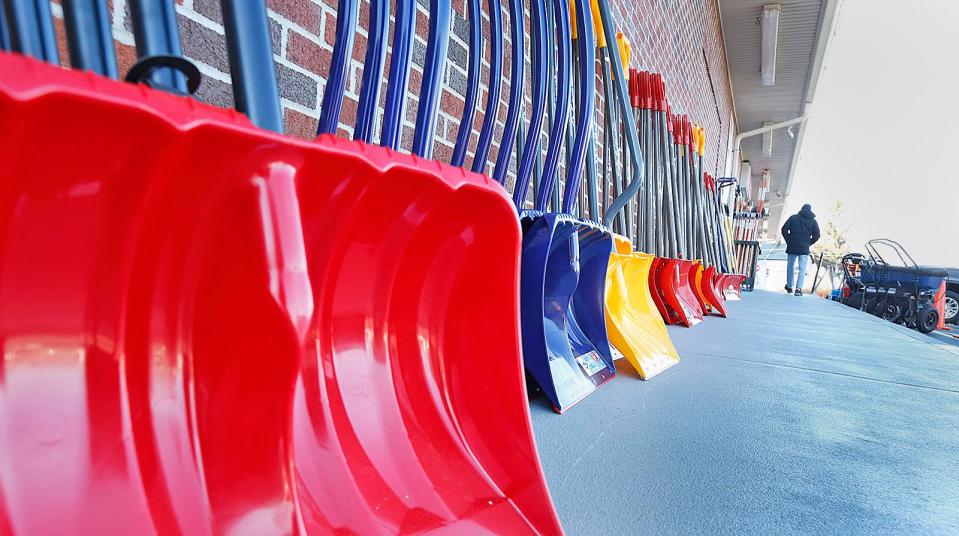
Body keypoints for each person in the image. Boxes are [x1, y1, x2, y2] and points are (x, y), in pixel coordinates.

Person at [780, 203, 820, 296]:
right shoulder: (813, 221)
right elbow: (817, 235)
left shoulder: (793, 218)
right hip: (804, 248)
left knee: (790, 266)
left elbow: (784, 229)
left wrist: (788, 240)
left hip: (792, 246)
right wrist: (809, 243)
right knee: (802, 269)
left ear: (801, 209)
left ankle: (790, 286)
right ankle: (798, 289)